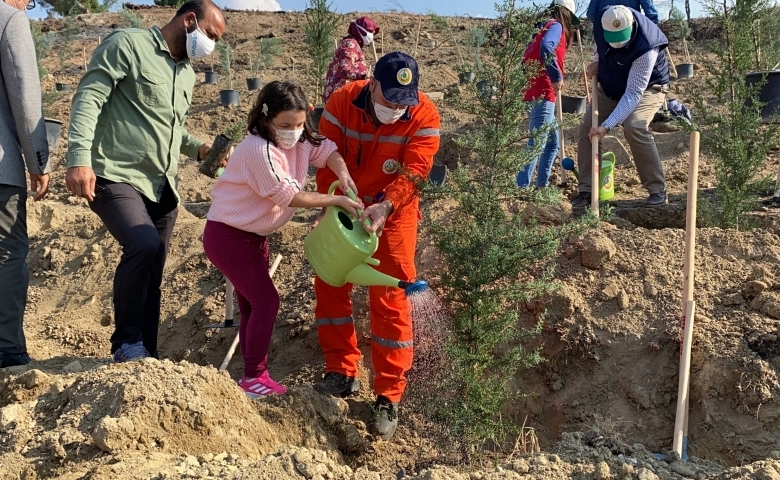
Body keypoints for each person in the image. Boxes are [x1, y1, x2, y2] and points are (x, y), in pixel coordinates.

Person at [65, 0, 226, 362]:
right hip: (115, 173)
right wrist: (78, 158)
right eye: (210, 35)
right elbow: (89, 97)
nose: (211, 46)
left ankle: (145, 354)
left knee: (153, 270)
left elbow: (170, 127)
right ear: (189, 21)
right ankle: (126, 343)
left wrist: (197, 148)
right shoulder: (128, 44)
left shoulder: (185, 74)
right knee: (141, 244)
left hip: (162, 185)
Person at [203, 81, 361, 399]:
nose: (294, 131)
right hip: (229, 236)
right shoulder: (258, 150)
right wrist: (336, 201)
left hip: (252, 236)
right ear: (265, 119)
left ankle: (251, 378)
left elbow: (326, 150)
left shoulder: (299, 140)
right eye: (285, 125)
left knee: (251, 305)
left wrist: (342, 173)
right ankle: (254, 378)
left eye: (300, 124)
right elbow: (288, 196)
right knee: (267, 302)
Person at [313, 52, 441, 439]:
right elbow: (323, 154)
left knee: (390, 297)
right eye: (389, 101)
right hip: (347, 203)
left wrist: (385, 205)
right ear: (372, 85)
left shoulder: (424, 115)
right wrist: (333, 200)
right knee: (331, 282)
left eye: (405, 101)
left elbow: (417, 172)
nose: (396, 110)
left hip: (394, 212)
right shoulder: (340, 102)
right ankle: (341, 371)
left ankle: (388, 393)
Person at [572, 5, 670, 208]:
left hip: (648, 88)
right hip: (611, 87)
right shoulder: (601, 21)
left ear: (632, 23)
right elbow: (599, 46)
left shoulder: (647, 44)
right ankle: (587, 190)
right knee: (586, 128)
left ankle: (657, 190)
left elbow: (633, 93)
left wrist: (606, 126)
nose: (617, 44)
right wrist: (598, 61)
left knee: (634, 126)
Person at [0, 0, 51, 368]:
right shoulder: (8, 19)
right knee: (7, 254)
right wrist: (38, 161)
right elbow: (24, 92)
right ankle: (7, 349)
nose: (27, 5)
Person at [516, 0, 578, 188]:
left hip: (533, 91)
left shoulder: (540, 28)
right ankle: (520, 188)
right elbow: (547, 47)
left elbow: (526, 59)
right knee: (537, 143)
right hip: (543, 91)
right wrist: (555, 76)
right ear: (566, 13)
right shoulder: (556, 26)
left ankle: (541, 186)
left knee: (552, 143)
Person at [322, 16, 380, 105]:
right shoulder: (350, 44)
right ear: (360, 30)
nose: (371, 35)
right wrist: (364, 76)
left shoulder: (352, 44)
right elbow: (345, 69)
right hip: (342, 96)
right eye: (369, 31)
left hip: (341, 96)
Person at [586, 0, 658, 24]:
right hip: (631, 30)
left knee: (602, 58)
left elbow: (591, 14)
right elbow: (650, 11)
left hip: (606, 33)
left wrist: (603, 24)